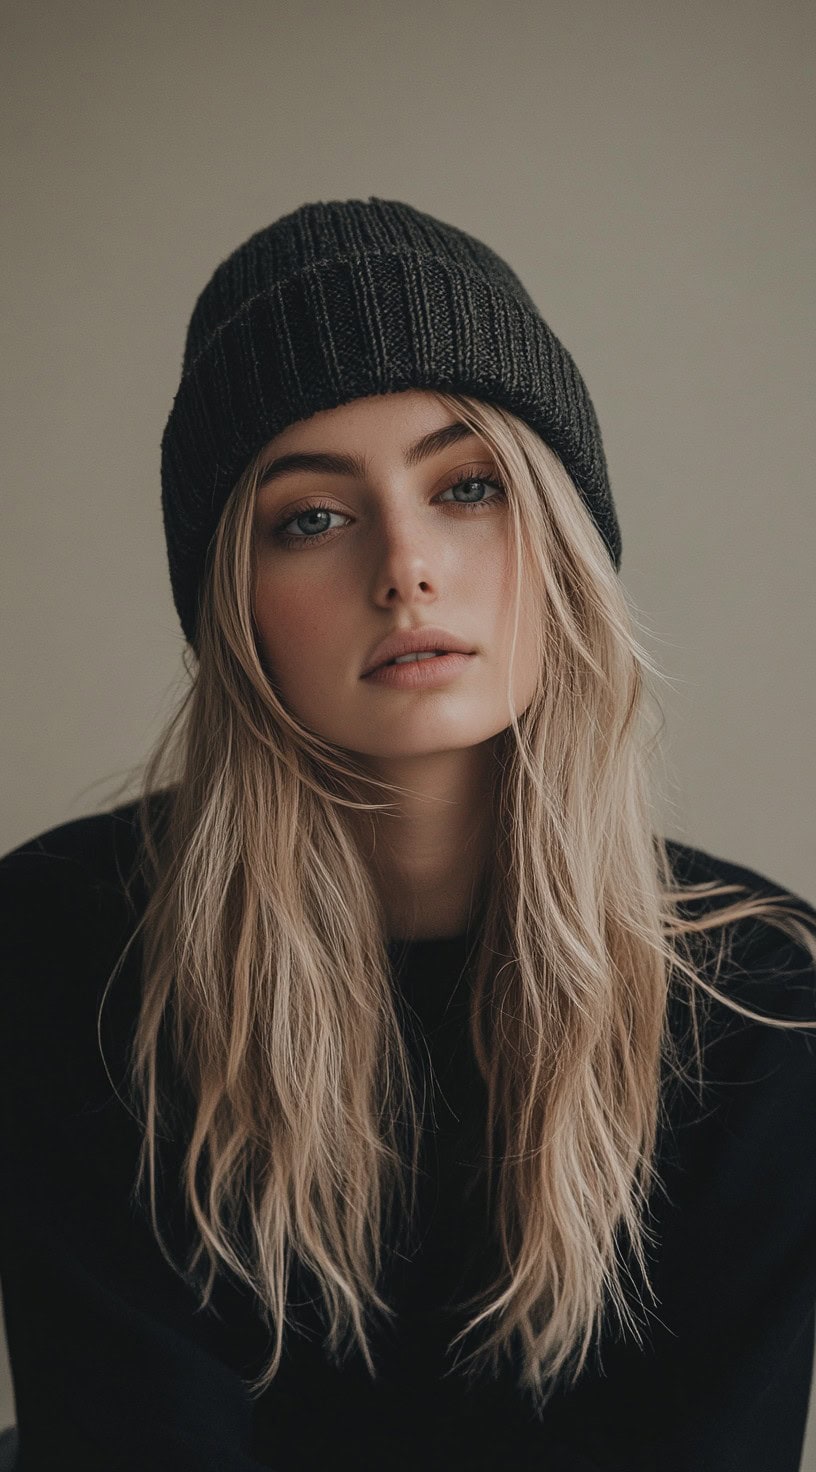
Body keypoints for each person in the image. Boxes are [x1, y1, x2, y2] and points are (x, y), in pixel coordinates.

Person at [1, 196, 815, 1472]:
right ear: (235, 603)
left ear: (563, 543)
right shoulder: (57, 947)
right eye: (310, 517)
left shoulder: (766, 1000)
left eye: (470, 485)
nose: (406, 567)